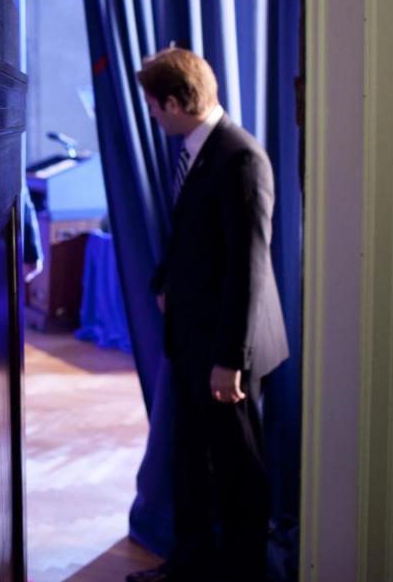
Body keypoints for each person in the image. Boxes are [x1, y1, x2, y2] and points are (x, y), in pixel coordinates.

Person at [128, 48, 288, 582]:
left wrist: (229, 361)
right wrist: (164, 284)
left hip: (226, 351)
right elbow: (194, 239)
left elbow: (249, 267)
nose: (152, 115)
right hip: (194, 340)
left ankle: (245, 574)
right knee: (190, 464)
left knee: (238, 472)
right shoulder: (200, 152)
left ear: (174, 104)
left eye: (154, 105)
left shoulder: (240, 158)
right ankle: (188, 567)